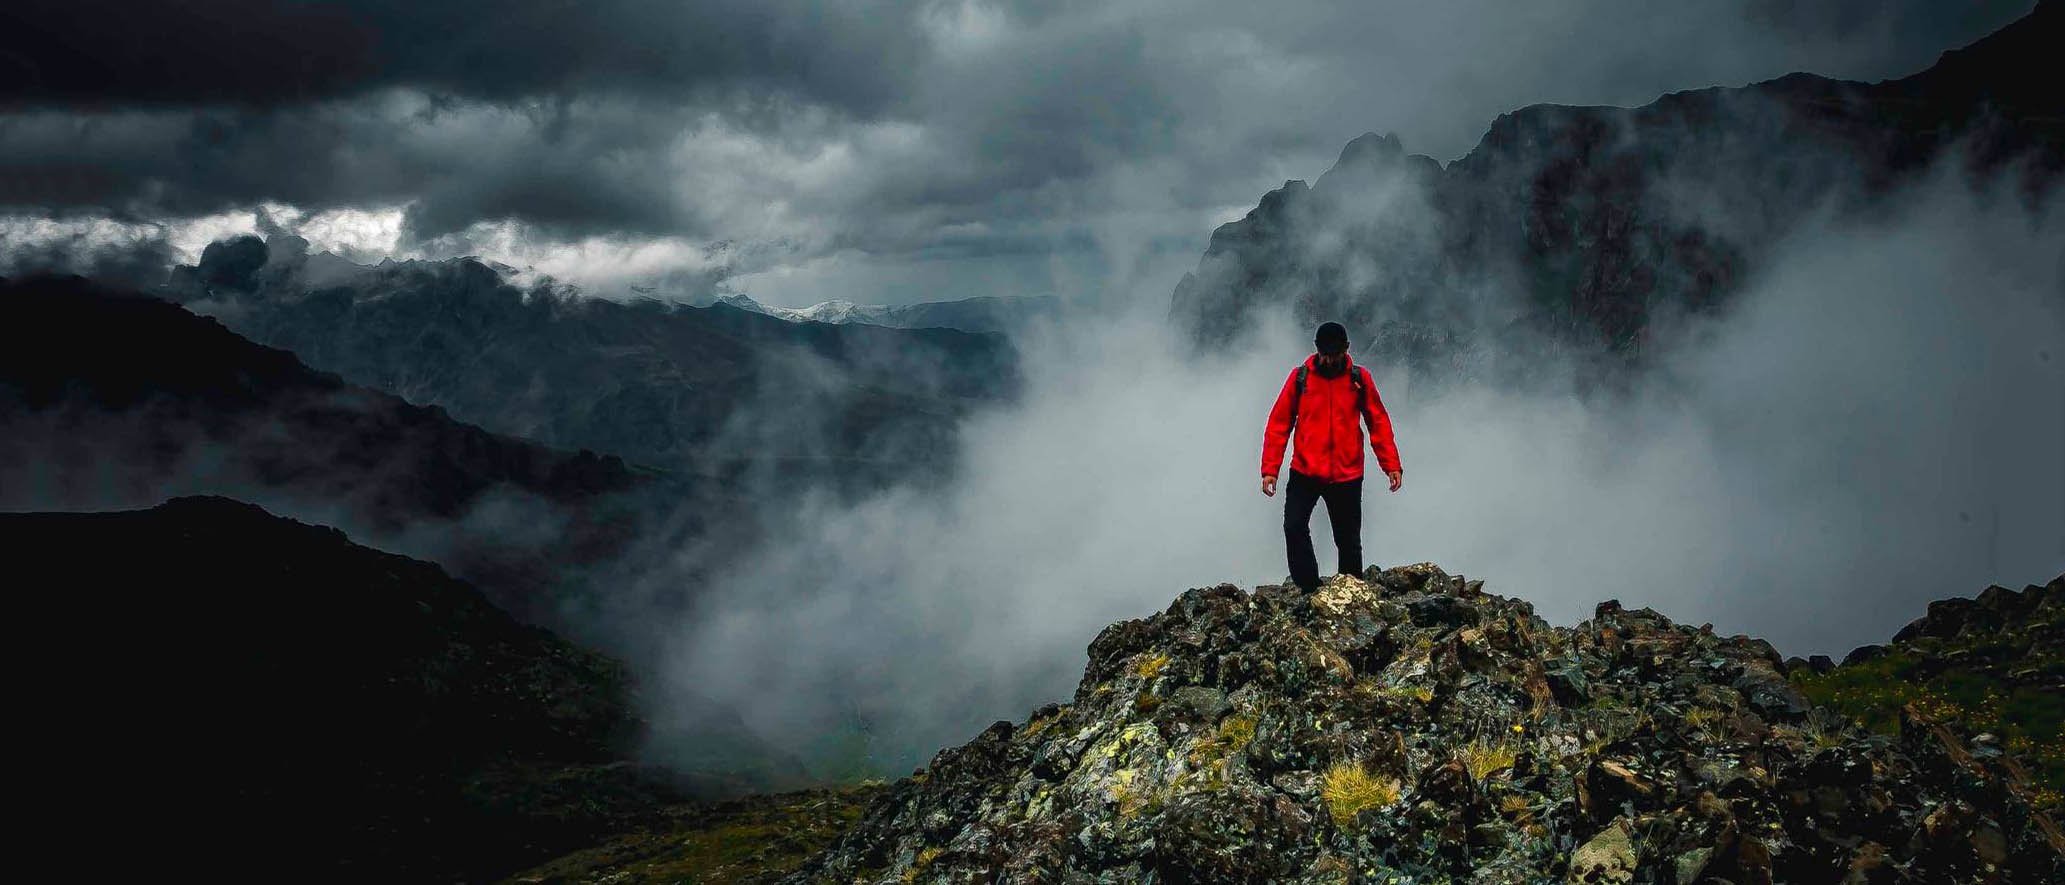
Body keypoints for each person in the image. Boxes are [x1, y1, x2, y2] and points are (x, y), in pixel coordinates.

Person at [1260, 321, 1403, 593]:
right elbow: (1279, 423)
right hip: (1305, 471)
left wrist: (1391, 465)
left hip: (1346, 474)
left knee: (1348, 541)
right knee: (1294, 526)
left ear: (1346, 350)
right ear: (1317, 350)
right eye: (1325, 353)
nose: (1329, 359)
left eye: (1335, 353)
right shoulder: (1300, 378)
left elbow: (1378, 422)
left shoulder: (1359, 379)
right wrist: (1270, 470)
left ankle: (1349, 594)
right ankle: (1309, 588)